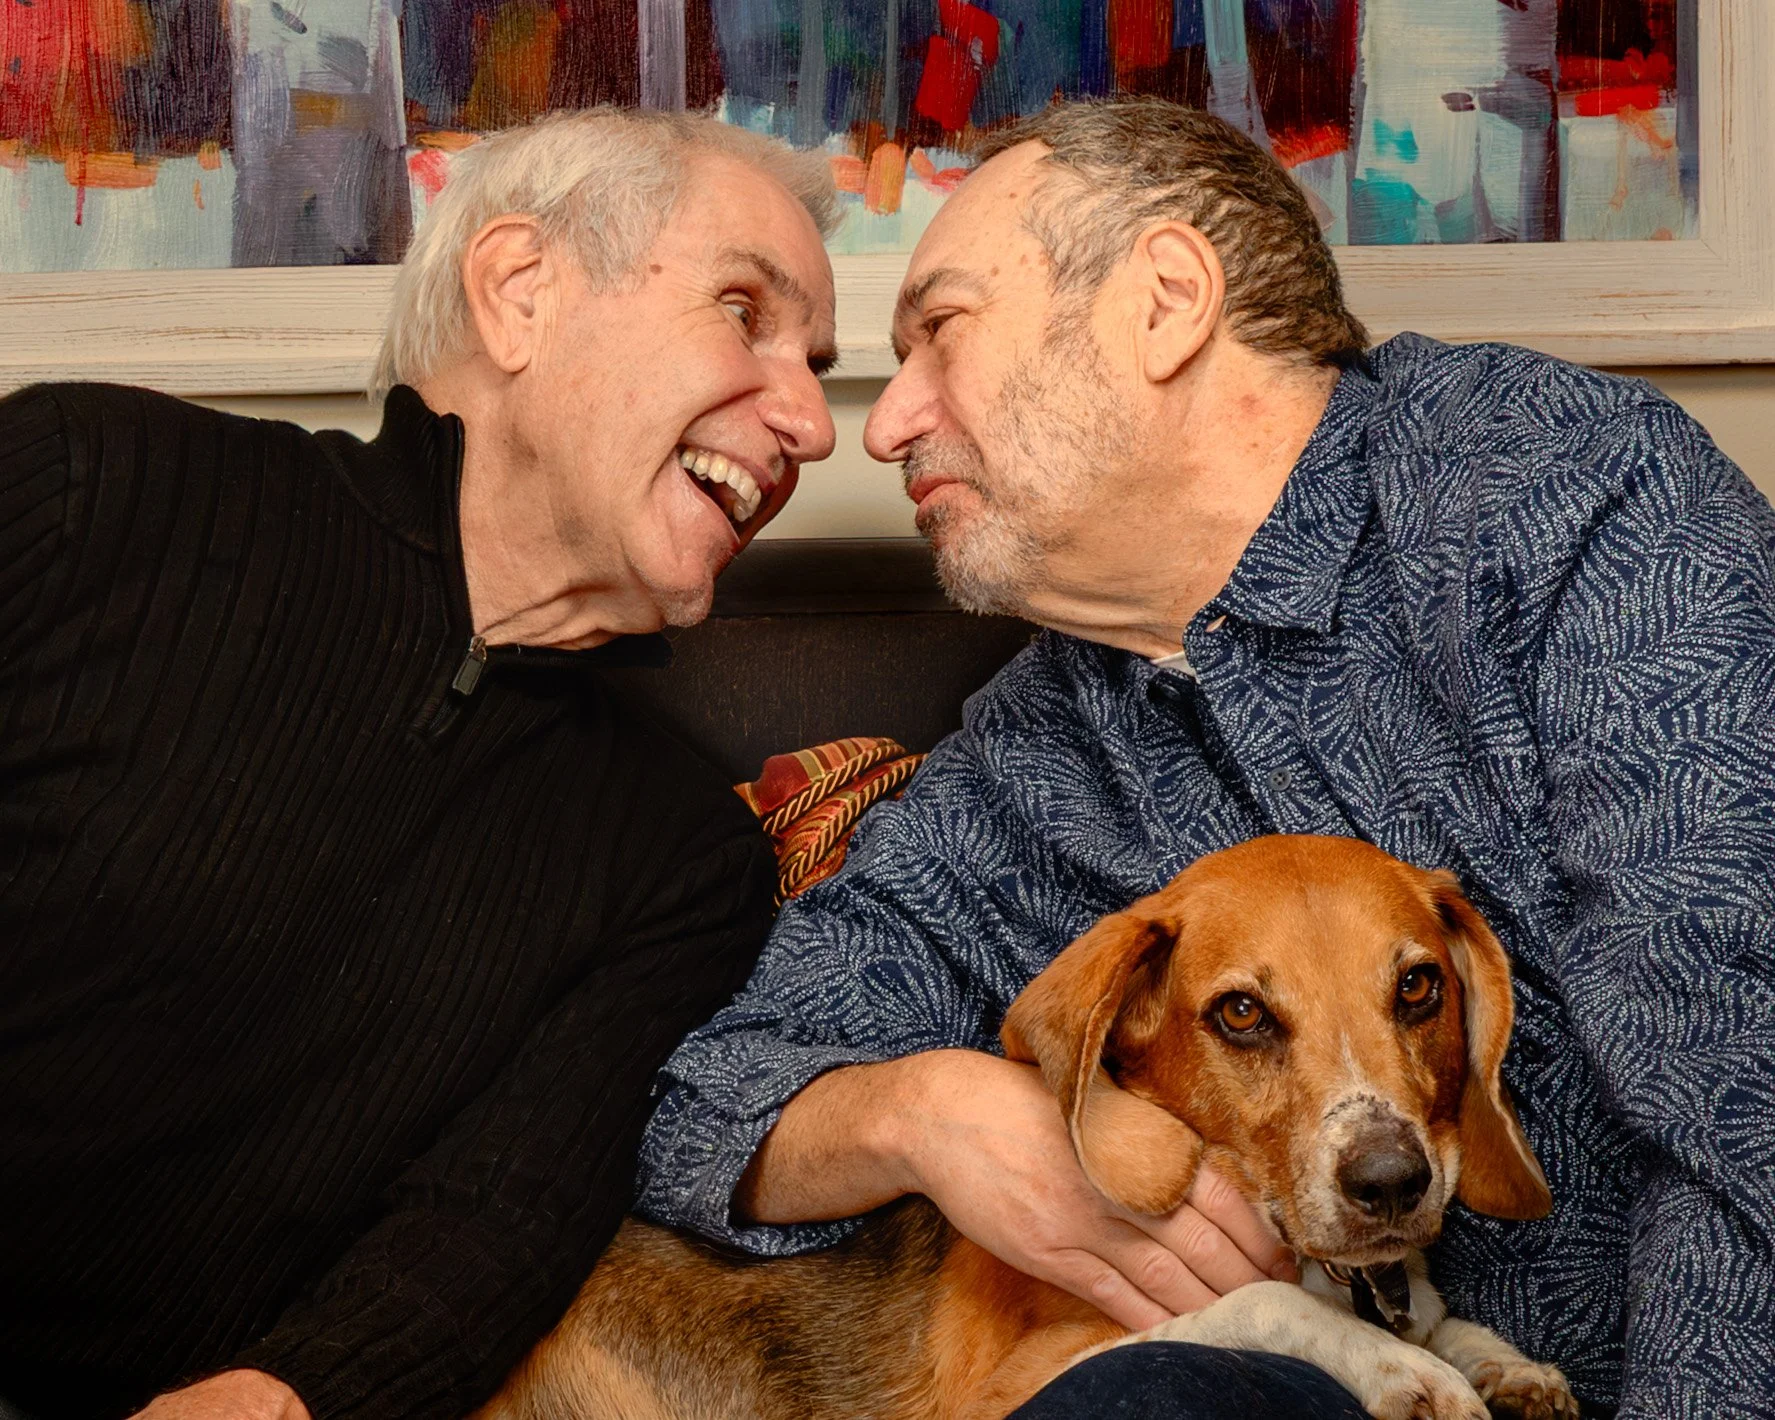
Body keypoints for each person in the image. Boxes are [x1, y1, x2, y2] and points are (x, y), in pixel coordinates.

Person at [637, 98, 1775, 1418]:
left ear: (1165, 301)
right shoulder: (1035, 745)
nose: (881, 425)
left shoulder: (1569, 508)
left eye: (939, 333)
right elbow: (710, 1104)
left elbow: (1744, 1104)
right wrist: (927, 1113)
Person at [0, 108, 838, 1420]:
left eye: (816, 360)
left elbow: (489, 1221)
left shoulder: (682, 860)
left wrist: (299, 1393)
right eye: (743, 311)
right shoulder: (83, 488)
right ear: (520, 293)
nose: (812, 420)